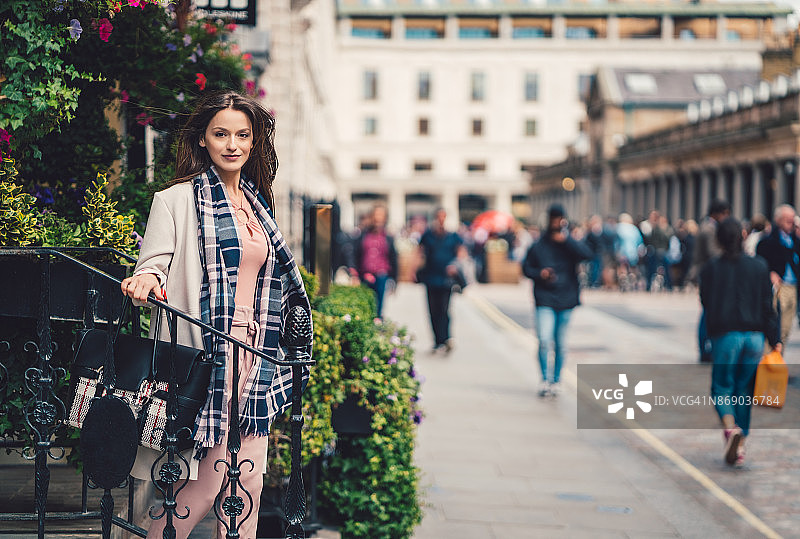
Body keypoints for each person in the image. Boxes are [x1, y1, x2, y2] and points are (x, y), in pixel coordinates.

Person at [120, 90, 311, 539]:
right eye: (220, 133)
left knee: (248, 482)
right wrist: (145, 279)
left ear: (253, 141)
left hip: (255, 354)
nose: (232, 144)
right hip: (207, 355)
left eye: (242, 135)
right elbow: (154, 261)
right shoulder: (175, 201)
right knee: (205, 485)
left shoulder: (258, 205)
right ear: (203, 140)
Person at [700, 218, 780, 467]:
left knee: (722, 387)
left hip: (726, 336)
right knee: (744, 391)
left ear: (718, 240)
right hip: (754, 337)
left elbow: (705, 302)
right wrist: (775, 339)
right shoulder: (759, 266)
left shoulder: (711, 268)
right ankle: (741, 442)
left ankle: (729, 428)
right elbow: (768, 305)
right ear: (743, 236)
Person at [522, 204, 592, 397]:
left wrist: (567, 239)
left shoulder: (570, 243)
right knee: (544, 340)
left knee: (560, 343)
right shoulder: (538, 245)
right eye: (553, 218)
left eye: (558, 219)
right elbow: (526, 268)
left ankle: (556, 380)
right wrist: (540, 273)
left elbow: (587, 255)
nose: (555, 222)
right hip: (544, 297)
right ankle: (545, 379)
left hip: (566, 297)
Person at [417, 208, 464, 354]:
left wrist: (455, 265)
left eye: (443, 217)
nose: (441, 220)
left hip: (446, 280)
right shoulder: (428, 235)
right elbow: (419, 252)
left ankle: (446, 338)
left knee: (444, 310)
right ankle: (437, 342)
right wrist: (414, 269)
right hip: (430, 277)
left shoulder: (453, 236)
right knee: (432, 310)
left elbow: (461, 252)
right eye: (439, 217)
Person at [690, 199, 731, 363]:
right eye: (725, 214)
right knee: (708, 312)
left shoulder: (708, 227)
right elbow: (713, 253)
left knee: (708, 311)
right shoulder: (709, 229)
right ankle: (705, 349)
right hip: (709, 275)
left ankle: (706, 348)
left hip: (708, 274)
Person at [756, 204, 800, 346]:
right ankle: (768, 361)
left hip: (793, 287)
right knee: (773, 327)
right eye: (787, 218)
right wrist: (770, 273)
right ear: (778, 219)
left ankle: (778, 360)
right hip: (778, 287)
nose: (790, 221)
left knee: (786, 329)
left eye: (792, 218)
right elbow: (760, 262)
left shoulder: (795, 240)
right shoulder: (767, 240)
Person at [351, 204, 398, 319]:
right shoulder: (363, 235)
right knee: (364, 307)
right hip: (365, 275)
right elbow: (354, 254)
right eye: (376, 215)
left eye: (381, 215)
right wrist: (354, 273)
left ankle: (377, 325)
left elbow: (393, 259)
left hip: (381, 275)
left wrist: (395, 281)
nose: (378, 218)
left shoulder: (388, 237)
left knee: (378, 308)